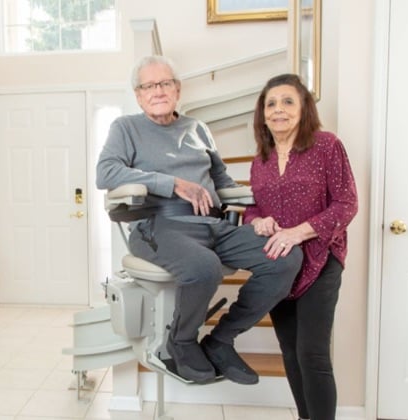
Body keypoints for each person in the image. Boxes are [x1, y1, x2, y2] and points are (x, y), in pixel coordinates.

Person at [96, 56, 303, 385]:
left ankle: (220, 339)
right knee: (204, 267)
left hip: (213, 225)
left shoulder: (198, 129)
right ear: (138, 95)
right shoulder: (126, 128)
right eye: (149, 86)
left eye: (165, 83)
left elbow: (223, 183)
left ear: (177, 90)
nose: (158, 91)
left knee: (285, 257)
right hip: (159, 226)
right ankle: (181, 341)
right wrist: (172, 183)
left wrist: (259, 214)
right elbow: (105, 172)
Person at [244, 74, 358, 420]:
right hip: (279, 266)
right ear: (263, 114)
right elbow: (254, 208)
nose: (279, 110)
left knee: (313, 354)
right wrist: (256, 221)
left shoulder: (326, 145)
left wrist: (298, 232)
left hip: (321, 259)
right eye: (271, 104)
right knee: (291, 352)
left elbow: (346, 203)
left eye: (288, 102)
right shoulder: (259, 160)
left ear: (304, 108)